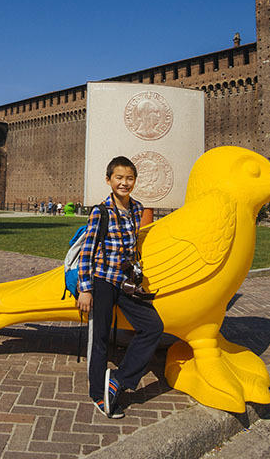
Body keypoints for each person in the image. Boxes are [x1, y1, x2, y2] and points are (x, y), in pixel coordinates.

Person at [76, 156, 163, 419]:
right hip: (102, 281)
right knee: (100, 339)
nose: (124, 183)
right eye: (119, 178)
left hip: (126, 283)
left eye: (129, 178)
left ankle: (118, 379)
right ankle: (98, 396)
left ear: (134, 181)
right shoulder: (100, 211)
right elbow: (88, 251)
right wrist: (85, 288)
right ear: (109, 180)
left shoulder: (138, 209)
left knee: (153, 327)